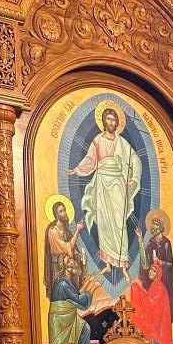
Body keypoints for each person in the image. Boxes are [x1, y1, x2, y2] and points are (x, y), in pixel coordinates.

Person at [68, 107, 141, 284]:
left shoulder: (122, 143)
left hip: (117, 183)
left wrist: (134, 178)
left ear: (117, 123)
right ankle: (108, 263)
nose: (111, 123)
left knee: (118, 223)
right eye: (108, 119)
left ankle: (123, 266)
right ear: (103, 122)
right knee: (104, 223)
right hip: (101, 182)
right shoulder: (98, 140)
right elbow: (90, 160)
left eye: (114, 120)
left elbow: (135, 159)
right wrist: (77, 169)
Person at [135, 214, 173, 322]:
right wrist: (140, 240)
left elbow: (170, 265)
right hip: (152, 280)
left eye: (156, 225)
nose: (153, 228)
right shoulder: (151, 242)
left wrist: (160, 262)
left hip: (164, 281)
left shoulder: (166, 244)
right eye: (152, 225)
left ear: (161, 228)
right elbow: (145, 263)